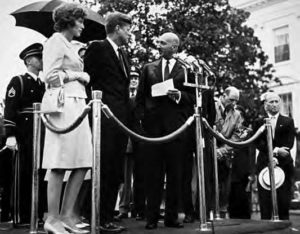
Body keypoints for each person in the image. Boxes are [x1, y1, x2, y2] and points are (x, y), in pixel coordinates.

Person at [135, 32, 195, 229]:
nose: (158, 45)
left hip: (177, 129)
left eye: (163, 43)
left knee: (176, 174)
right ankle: (151, 218)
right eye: (158, 42)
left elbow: (194, 97)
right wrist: (143, 120)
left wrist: (180, 96)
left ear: (174, 47)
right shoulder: (148, 68)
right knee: (153, 174)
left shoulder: (186, 69)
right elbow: (140, 98)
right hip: (153, 130)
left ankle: (171, 218)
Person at [42, 3, 92, 234]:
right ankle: (51, 219)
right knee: (59, 163)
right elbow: (50, 77)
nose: (83, 25)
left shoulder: (72, 45)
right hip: (63, 107)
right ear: (69, 20)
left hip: (78, 105)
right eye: (80, 20)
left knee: (82, 162)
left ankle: (67, 216)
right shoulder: (54, 41)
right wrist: (78, 74)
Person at [84, 11, 132, 233]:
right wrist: (93, 111)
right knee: (103, 167)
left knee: (114, 169)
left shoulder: (124, 54)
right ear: (117, 29)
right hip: (103, 116)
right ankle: (98, 216)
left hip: (120, 120)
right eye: (128, 28)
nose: (130, 33)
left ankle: (107, 216)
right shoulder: (97, 47)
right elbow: (88, 81)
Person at [3, 43, 45, 225]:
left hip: (41, 132)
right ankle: (21, 215)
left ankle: (38, 213)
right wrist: (10, 134)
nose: (42, 60)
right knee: (23, 174)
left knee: (40, 173)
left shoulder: (43, 84)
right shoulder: (18, 81)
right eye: (39, 57)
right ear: (29, 61)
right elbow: (10, 109)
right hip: (24, 133)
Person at [254, 92, 295, 220]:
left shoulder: (288, 121)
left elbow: (289, 144)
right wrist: (275, 151)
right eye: (271, 102)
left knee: (283, 202)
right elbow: (258, 142)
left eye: (277, 101)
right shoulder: (258, 122)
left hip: (284, 165)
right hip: (264, 163)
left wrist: (277, 157)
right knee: (265, 203)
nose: (274, 104)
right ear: (265, 105)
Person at [214, 86, 244, 216]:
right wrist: (213, 150)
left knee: (224, 188)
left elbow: (236, 136)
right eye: (231, 99)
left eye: (236, 101)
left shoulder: (237, 114)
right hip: (208, 151)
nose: (234, 103)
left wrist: (222, 151)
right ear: (223, 96)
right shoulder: (211, 105)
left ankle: (221, 213)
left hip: (225, 155)